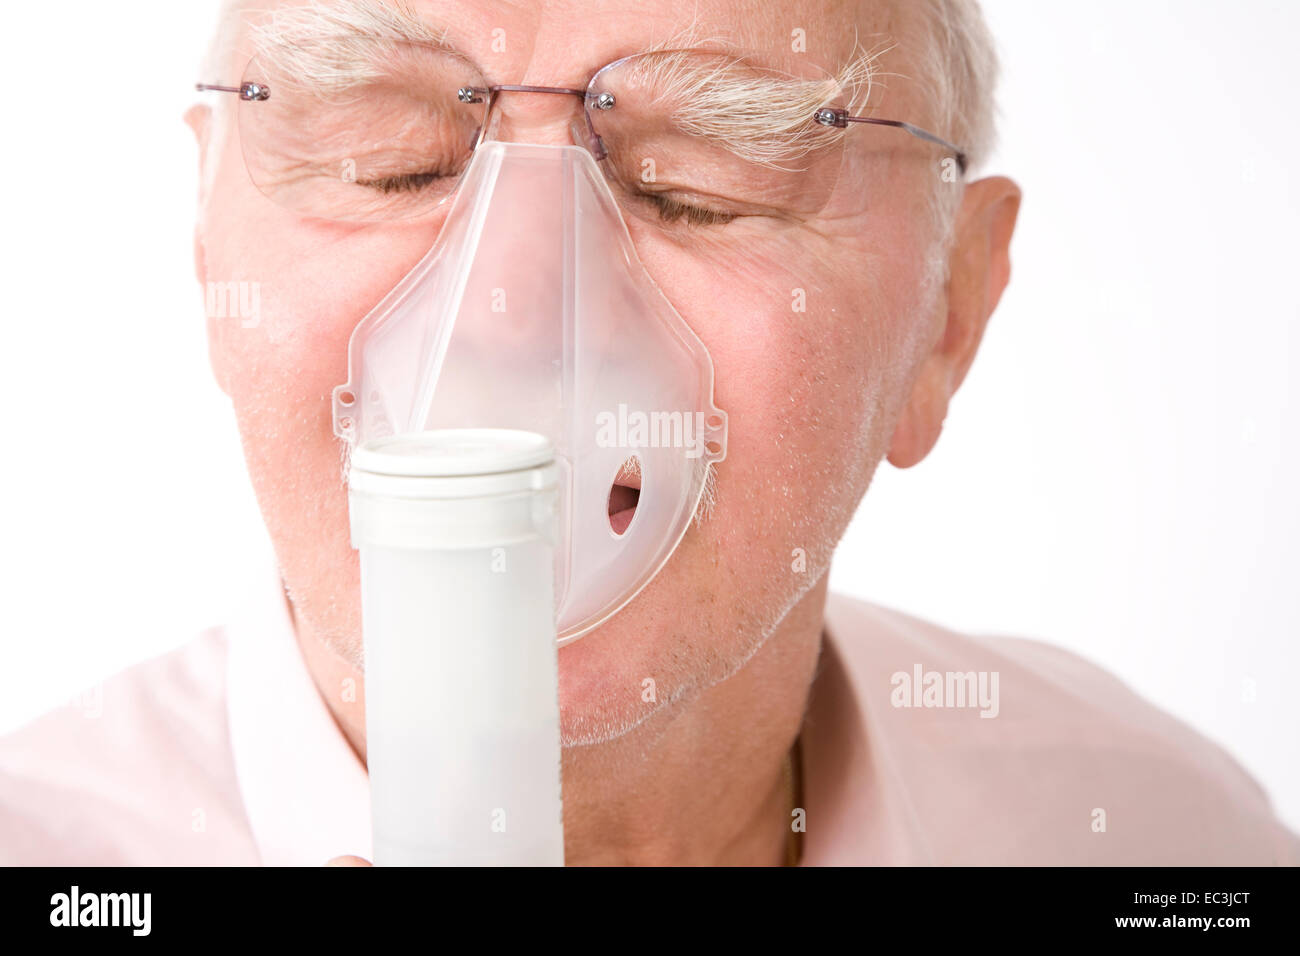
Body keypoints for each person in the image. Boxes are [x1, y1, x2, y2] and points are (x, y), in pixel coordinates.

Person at [1, 0, 1294, 866]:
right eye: (386, 160)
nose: (509, 326)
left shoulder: (1162, 844)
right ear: (205, 234)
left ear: (947, 315)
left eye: (699, 185)